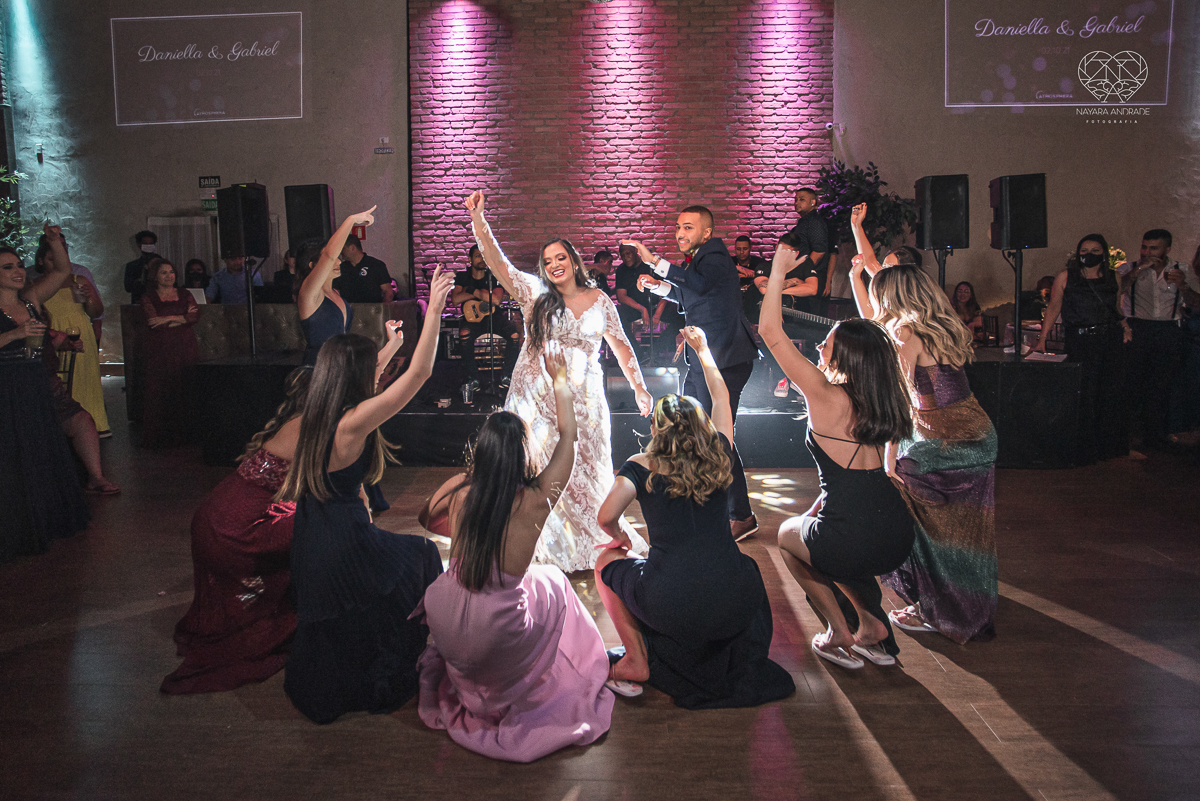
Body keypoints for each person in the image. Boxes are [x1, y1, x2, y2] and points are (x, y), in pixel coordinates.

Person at [415, 344, 613, 761]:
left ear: (482, 450)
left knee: (537, 582)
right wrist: (560, 380)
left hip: (447, 610)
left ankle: (479, 684)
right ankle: (574, 666)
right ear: (523, 452)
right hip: (496, 627)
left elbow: (426, 518)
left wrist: (466, 522)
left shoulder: (461, 489)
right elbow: (569, 436)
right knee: (554, 581)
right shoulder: (537, 500)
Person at [280, 266, 453, 725]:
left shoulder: (317, 409)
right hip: (344, 542)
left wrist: (391, 345)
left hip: (311, 536)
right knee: (420, 554)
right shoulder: (352, 423)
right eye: (373, 368)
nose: (378, 373)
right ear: (357, 378)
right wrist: (434, 310)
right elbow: (420, 374)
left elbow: (368, 371)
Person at [596, 325, 797, 704]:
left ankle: (636, 659)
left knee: (605, 562)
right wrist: (703, 350)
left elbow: (605, 517)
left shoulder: (640, 465)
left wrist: (619, 539)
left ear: (655, 427)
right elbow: (721, 396)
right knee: (746, 565)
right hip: (732, 595)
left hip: (669, 599)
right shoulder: (719, 452)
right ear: (702, 425)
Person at [467, 190, 653, 572]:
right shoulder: (535, 294)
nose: (554, 265)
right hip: (537, 399)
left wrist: (639, 386)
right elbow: (499, 264)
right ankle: (537, 543)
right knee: (538, 469)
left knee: (589, 467)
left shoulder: (600, 300)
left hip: (586, 400)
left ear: (573, 260)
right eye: (548, 261)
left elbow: (621, 346)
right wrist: (479, 222)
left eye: (561, 258)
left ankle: (591, 540)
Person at [759, 242, 916, 669]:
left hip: (856, 532)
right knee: (835, 539)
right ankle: (872, 625)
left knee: (788, 536)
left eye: (825, 344)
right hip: (897, 531)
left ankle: (837, 629)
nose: (818, 350)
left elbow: (771, 332)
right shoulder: (883, 396)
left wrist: (778, 272)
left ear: (844, 355)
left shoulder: (825, 394)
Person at [848, 202, 998, 642]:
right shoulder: (941, 323)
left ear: (893, 296)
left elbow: (899, 401)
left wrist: (889, 459)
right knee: (966, 530)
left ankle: (933, 606)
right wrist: (857, 275)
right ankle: (963, 605)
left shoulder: (905, 334)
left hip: (942, 440)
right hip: (978, 435)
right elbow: (876, 321)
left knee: (907, 513)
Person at [162, 368, 311, 695]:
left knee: (308, 520)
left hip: (216, 515)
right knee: (319, 529)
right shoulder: (308, 426)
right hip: (233, 530)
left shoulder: (294, 422)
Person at [626, 205, 760, 540]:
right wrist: (658, 286)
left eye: (688, 227)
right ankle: (706, 503)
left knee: (717, 437)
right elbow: (691, 295)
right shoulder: (700, 260)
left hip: (724, 358)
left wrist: (655, 262)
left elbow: (697, 286)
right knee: (698, 431)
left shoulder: (714, 255)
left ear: (706, 233)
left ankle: (741, 515)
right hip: (707, 359)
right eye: (678, 227)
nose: (680, 233)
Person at [0, 226, 93, 559]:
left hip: (34, 382)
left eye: (18, 265)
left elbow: (63, 271)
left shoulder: (30, 299)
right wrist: (15, 335)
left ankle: (46, 518)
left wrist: (54, 241)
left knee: (40, 446)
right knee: (12, 453)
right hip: (5, 386)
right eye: (7, 267)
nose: (17, 271)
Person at [1033, 235, 1131, 462]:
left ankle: (1108, 446)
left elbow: (1115, 307)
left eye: (1095, 250)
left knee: (1109, 392)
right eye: (1084, 250)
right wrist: (1042, 338)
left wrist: (1125, 327)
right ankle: (1084, 448)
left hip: (1108, 337)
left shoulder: (1113, 276)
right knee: (1083, 391)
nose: (1089, 254)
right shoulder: (1067, 277)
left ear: (1103, 253)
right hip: (1080, 339)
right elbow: (1054, 307)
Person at [1118, 229, 1200, 450]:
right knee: (1133, 383)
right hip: (1137, 327)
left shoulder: (1182, 269)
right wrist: (1137, 271)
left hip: (1168, 329)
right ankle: (1127, 437)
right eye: (1144, 247)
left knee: (1162, 385)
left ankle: (1155, 436)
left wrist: (1183, 285)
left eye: (1154, 248)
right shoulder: (1129, 268)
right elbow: (1117, 290)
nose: (1147, 252)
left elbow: (1196, 302)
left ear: (1167, 249)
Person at [34, 238, 110, 436]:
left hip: (79, 331)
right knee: (58, 378)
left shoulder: (79, 280)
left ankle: (93, 424)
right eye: (51, 259)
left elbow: (95, 312)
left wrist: (89, 298)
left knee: (85, 378)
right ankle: (61, 428)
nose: (58, 262)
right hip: (53, 333)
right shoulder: (35, 285)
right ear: (41, 261)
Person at [140, 258, 200, 448]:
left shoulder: (185, 293)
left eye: (171, 272)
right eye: (164, 272)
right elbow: (153, 322)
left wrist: (170, 318)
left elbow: (194, 315)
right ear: (155, 277)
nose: (169, 276)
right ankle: (163, 436)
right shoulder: (148, 297)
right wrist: (182, 319)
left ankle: (188, 433)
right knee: (162, 386)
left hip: (185, 345)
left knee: (186, 384)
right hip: (161, 347)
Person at [451, 244, 520, 394]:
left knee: (514, 334)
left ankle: (507, 375)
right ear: (470, 259)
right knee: (464, 334)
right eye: (477, 256)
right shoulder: (462, 277)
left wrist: (472, 291)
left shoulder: (493, 276)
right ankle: (473, 378)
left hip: (495, 317)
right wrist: (482, 294)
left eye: (483, 256)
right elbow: (455, 299)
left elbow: (496, 300)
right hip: (472, 319)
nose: (481, 259)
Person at [614, 243, 668, 353]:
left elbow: (666, 291)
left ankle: (656, 351)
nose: (625, 257)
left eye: (628, 253)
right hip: (635, 309)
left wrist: (657, 314)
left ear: (636, 251)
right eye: (622, 255)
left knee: (679, 316)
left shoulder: (650, 266)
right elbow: (621, 296)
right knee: (616, 316)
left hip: (656, 307)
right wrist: (641, 309)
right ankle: (637, 354)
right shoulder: (621, 270)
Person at [787, 187, 831, 306]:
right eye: (795, 200)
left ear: (813, 202)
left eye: (801, 199)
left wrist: (803, 272)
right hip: (805, 277)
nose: (797, 203)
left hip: (811, 279)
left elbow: (819, 251)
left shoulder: (814, 222)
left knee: (809, 313)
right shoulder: (804, 222)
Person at [334, 234, 394, 303]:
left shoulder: (375, 265)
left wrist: (382, 308)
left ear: (352, 248)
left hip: (372, 308)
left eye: (343, 248)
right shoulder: (341, 268)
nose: (341, 252)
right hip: (347, 308)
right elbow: (335, 291)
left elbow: (388, 292)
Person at [734, 235, 771, 324]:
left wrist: (749, 274)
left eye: (745, 249)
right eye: (738, 249)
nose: (742, 252)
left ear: (750, 248)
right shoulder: (730, 262)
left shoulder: (759, 263)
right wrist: (738, 268)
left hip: (754, 302)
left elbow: (767, 276)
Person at [124, 230, 158, 303]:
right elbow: (128, 287)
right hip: (139, 303)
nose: (148, 246)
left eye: (151, 243)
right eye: (145, 243)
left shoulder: (162, 263)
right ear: (139, 245)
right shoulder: (132, 266)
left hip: (159, 302)